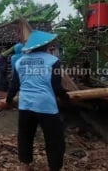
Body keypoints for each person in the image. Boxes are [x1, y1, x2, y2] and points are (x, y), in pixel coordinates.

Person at [6, 30, 69, 171]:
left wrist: (9, 100)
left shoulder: (20, 61)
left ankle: (25, 164)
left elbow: (14, 85)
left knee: (25, 136)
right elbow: (57, 87)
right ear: (45, 45)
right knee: (54, 139)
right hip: (46, 105)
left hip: (25, 105)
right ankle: (54, 167)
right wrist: (67, 100)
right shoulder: (53, 61)